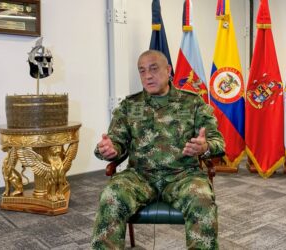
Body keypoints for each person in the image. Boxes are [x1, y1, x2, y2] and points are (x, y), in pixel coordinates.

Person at [91, 50, 224, 249]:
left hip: (183, 175)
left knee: (202, 199)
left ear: (168, 70)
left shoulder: (192, 103)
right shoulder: (129, 105)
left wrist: (204, 147)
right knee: (112, 195)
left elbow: (218, 142)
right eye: (142, 71)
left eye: (154, 69)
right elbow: (116, 142)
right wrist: (108, 150)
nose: (148, 76)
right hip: (140, 176)